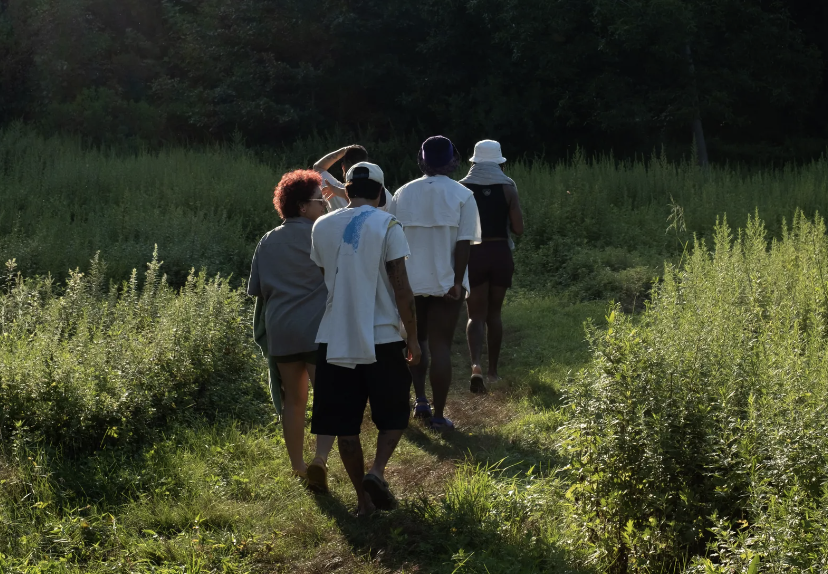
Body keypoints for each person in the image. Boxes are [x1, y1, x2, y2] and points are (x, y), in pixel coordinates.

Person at [309, 162, 421, 516]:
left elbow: (327, 276)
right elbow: (402, 288)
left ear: (347, 189)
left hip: (334, 337)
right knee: (394, 413)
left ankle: (363, 500)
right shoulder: (388, 224)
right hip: (382, 336)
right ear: (380, 192)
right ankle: (377, 471)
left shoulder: (321, 226)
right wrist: (413, 338)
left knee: (344, 424)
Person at [247, 169, 336, 492]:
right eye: (320, 201)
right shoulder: (322, 236)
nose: (324, 206)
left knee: (294, 401)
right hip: (317, 329)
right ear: (302, 206)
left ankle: (298, 467)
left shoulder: (267, 240)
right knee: (327, 397)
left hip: (281, 331)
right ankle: (320, 459)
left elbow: (256, 289)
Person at [389, 136, 481, 431]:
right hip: (446, 284)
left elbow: (393, 241)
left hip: (410, 283)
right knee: (441, 347)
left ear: (422, 160)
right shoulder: (463, 195)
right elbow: (464, 243)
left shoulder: (402, 194)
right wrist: (457, 282)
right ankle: (439, 416)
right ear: (452, 160)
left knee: (415, 342)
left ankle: (420, 400)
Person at [459, 140, 524, 392]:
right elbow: (518, 229)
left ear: (474, 162)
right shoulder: (509, 188)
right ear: (500, 163)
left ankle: (475, 365)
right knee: (494, 314)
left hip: (473, 254)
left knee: (474, 315)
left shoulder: (462, 188)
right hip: (499, 253)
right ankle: (493, 372)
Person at [312, 145, 392, 211]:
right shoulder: (383, 194)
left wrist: (344, 150)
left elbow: (318, 167)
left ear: (343, 167)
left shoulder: (333, 189)